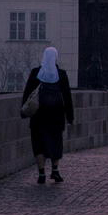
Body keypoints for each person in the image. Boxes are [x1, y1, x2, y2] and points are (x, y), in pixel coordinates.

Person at [22, 46, 74, 185]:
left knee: (38, 143)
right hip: (56, 115)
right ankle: (55, 171)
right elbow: (67, 97)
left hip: (39, 115)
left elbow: (28, 94)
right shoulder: (61, 74)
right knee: (56, 142)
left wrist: (23, 111)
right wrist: (70, 116)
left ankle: (41, 173)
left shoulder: (35, 73)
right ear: (55, 57)